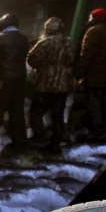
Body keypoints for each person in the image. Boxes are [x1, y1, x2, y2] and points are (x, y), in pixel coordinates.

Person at [26, 17, 75, 150]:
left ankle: (40, 138)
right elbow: (73, 60)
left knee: (36, 112)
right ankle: (55, 143)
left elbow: (32, 59)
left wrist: (43, 67)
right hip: (63, 85)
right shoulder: (69, 43)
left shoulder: (44, 43)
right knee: (58, 115)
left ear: (47, 29)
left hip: (45, 84)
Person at [0, 12, 30, 151]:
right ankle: (20, 142)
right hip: (20, 79)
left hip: (3, 79)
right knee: (17, 111)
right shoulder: (24, 39)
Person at [76, 8, 106, 141]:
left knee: (94, 104)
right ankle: (105, 129)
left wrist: (79, 72)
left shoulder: (94, 32)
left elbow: (87, 55)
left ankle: (97, 132)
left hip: (94, 75)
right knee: (104, 103)